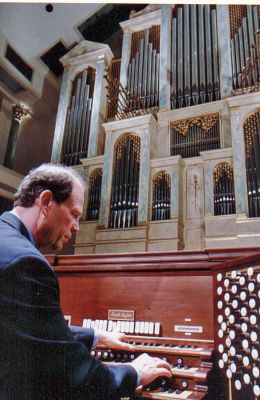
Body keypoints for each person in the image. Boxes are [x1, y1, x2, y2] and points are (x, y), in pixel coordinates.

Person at [0, 163, 172, 400]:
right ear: (47, 201)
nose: (77, 227)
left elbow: (27, 325)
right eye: (75, 215)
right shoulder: (26, 262)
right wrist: (134, 372)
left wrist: (95, 335)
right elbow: (73, 375)